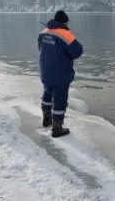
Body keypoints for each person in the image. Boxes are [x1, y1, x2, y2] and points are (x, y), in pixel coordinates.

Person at [38, 10, 83, 138]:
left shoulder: (43, 33)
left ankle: (47, 120)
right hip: (60, 73)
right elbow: (77, 52)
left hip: (45, 71)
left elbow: (40, 49)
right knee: (60, 99)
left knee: (47, 95)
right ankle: (57, 128)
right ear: (64, 22)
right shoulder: (65, 34)